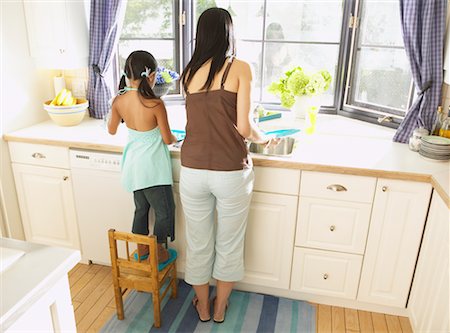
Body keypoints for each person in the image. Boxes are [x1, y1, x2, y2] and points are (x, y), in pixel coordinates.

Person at [179, 7, 278, 323]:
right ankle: (220, 308)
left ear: (201, 35)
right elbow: (244, 128)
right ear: (229, 33)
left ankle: (203, 306)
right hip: (230, 171)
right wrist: (264, 139)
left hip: (192, 170)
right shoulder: (241, 68)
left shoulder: (189, 72)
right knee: (229, 243)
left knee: (198, 243)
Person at [108, 50, 177, 264]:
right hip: (154, 168)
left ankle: (142, 249)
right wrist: (176, 136)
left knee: (141, 209)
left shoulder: (118, 100)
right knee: (165, 211)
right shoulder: (155, 104)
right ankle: (158, 252)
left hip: (134, 166)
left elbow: (111, 130)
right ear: (151, 76)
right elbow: (167, 139)